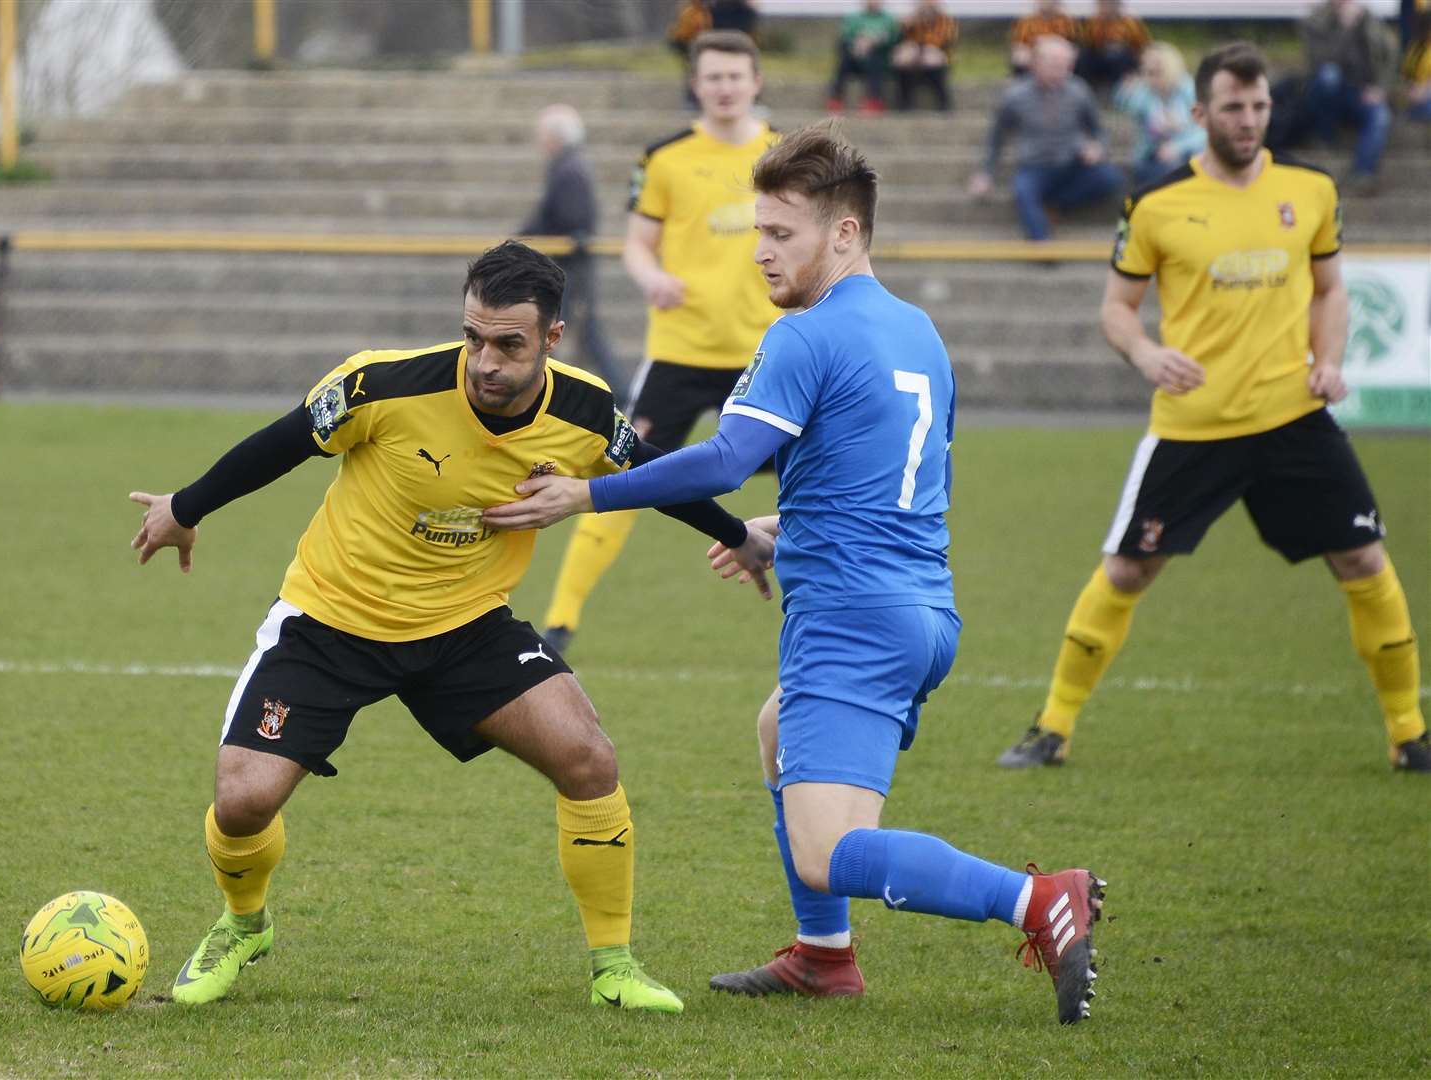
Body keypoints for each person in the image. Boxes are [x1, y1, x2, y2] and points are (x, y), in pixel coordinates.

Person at [485, 124, 1109, 1026]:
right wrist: (786, 533)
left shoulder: (803, 336)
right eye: (758, 232)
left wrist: (589, 492)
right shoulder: (919, 331)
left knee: (828, 851)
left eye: (782, 233)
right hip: (921, 607)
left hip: (851, 617)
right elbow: (906, 471)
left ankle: (1037, 900)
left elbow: (722, 463)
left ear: (845, 234)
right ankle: (824, 956)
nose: (762, 252)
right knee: (779, 733)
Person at [128, 240, 775, 1012]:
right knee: (241, 801)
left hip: (467, 628)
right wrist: (183, 508)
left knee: (588, 758)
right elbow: (284, 442)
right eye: (473, 338)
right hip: (332, 620)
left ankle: (616, 966)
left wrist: (737, 535)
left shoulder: (584, 410)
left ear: (552, 339)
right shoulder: (381, 384)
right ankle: (243, 926)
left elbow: (654, 471)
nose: (485, 361)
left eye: (509, 344)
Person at [997, 43, 1430, 774]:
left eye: (1259, 106)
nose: (1249, 119)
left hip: (1293, 415)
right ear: (1200, 113)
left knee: (1363, 556)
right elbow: (1117, 309)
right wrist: (1145, 354)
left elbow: (1330, 290)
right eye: (1233, 106)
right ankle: (1052, 726)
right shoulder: (1157, 204)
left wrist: (1327, 361)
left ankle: (1409, 733)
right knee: (1128, 571)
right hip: (1194, 426)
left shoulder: (1312, 190)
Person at [538, 29, 780, 657]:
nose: (725, 87)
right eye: (713, 77)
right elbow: (637, 244)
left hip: (766, 358)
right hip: (678, 353)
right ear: (695, 84)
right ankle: (560, 621)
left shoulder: (785, 155)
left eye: (735, 76)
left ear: (756, 81)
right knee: (622, 472)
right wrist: (652, 278)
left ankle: (825, 606)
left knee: (821, 479)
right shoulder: (666, 157)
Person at [968, 36, 1122, 242]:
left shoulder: (1079, 89)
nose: (1062, 72)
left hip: (1073, 162)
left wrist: (1098, 148)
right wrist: (985, 173)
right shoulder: (1015, 96)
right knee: (1023, 193)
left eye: (1067, 66)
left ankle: (1057, 206)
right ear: (1036, 63)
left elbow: (1099, 131)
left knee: (1109, 178)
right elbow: (996, 138)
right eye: (1055, 65)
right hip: (1034, 166)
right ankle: (1042, 243)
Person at [519, 104, 625, 401]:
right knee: (581, 329)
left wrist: (526, 235)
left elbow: (563, 218)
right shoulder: (568, 166)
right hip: (569, 264)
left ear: (555, 137)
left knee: (574, 328)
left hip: (570, 266)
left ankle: (620, 390)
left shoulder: (569, 169)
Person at [1300, 0, 1399, 194]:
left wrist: (1380, 89)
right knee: (1330, 76)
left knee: (1381, 116)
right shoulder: (1315, 20)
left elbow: (1391, 56)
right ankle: (1325, 138)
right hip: (1329, 94)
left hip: (1362, 92)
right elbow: (1319, 62)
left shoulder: (1369, 20)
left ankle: (1363, 173)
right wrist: (1345, 30)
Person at [1114, 42, 1207, 187]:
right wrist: (1126, 90)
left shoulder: (1188, 90)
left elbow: (1204, 132)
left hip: (1187, 154)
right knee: (1165, 170)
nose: (1152, 77)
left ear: (1171, 67)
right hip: (1151, 156)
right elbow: (1125, 105)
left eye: (1157, 71)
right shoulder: (1144, 93)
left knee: (1181, 167)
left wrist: (1177, 147)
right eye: (1148, 71)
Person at [828, 0, 899, 116]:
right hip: (856, 56)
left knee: (876, 61)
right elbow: (845, 38)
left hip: (879, 58)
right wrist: (858, 44)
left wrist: (874, 42)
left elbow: (894, 39)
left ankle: (874, 100)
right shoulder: (854, 18)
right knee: (843, 61)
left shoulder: (889, 19)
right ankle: (836, 98)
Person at [892, 0, 958, 111]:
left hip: (935, 55)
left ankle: (944, 103)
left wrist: (925, 48)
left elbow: (945, 41)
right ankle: (904, 102)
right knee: (904, 58)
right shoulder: (911, 21)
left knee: (931, 57)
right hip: (914, 54)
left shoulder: (945, 20)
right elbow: (898, 38)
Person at [1075, 0, 1150, 96]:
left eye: (1111, 4)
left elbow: (1142, 47)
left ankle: (1121, 92)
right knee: (1083, 56)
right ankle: (1086, 89)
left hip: (1122, 61)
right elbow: (1087, 43)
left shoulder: (1130, 23)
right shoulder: (1093, 22)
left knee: (1121, 57)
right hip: (1099, 60)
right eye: (1103, 4)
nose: (1107, 8)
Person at [1009, 0, 1077, 77]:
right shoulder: (1026, 21)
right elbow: (1019, 45)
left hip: (1057, 56)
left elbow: (1071, 45)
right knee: (1020, 57)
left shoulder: (1066, 22)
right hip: (1034, 55)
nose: (1046, 3)